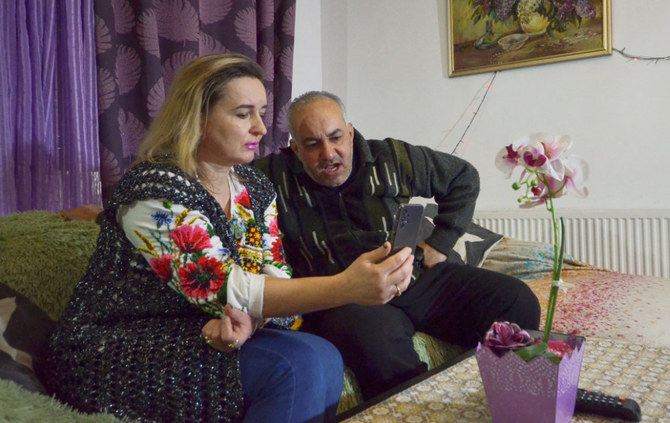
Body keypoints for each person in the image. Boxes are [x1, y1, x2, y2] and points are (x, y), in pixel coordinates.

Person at [42, 55, 415, 423]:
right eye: (243, 114)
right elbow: (226, 286)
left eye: (261, 112)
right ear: (198, 118)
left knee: (323, 355)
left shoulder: (253, 186)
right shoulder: (153, 190)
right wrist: (346, 287)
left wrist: (253, 321)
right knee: (297, 366)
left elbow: (273, 271)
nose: (260, 128)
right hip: (119, 346)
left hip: (206, 331)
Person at [253, 91, 542, 400]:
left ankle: (506, 401)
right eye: (312, 144)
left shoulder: (389, 157)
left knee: (517, 300)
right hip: (344, 298)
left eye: (336, 137)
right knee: (375, 343)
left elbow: (463, 177)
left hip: (415, 279)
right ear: (295, 148)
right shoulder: (269, 177)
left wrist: (440, 242)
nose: (328, 153)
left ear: (350, 133)